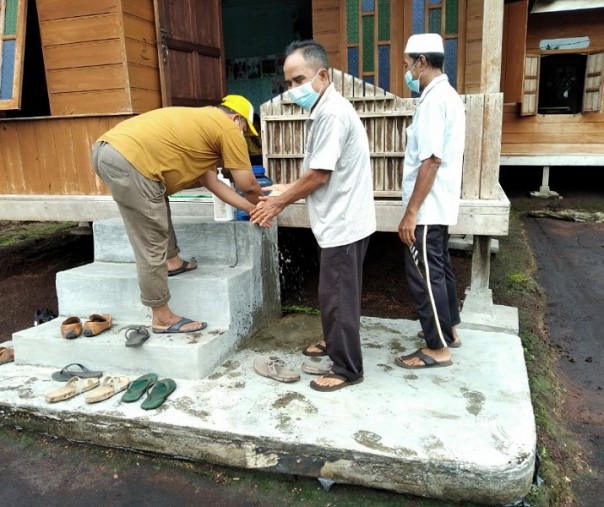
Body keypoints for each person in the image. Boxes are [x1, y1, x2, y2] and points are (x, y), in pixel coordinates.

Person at [250, 40, 376, 391]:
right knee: (336, 294)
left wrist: (278, 203)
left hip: (343, 223)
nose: (293, 90)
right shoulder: (326, 109)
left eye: (299, 80)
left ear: (322, 75)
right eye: (288, 83)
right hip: (342, 218)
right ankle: (335, 341)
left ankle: (347, 368)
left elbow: (320, 175)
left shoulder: (332, 113)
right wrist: (285, 187)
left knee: (336, 296)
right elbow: (320, 170)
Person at [91, 95, 266, 334]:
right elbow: (248, 186)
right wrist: (264, 209)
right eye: (245, 129)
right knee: (151, 240)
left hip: (112, 150)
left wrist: (250, 209)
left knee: (155, 202)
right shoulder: (228, 128)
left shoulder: (202, 124)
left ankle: (172, 261)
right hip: (127, 159)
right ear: (237, 118)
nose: (243, 135)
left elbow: (213, 183)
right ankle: (162, 317)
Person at [395, 33, 465, 369]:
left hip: (427, 207)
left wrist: (411, 213)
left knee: (424, 276)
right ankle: (448, 332)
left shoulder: (436, 101)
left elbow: (431, 160)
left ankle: (438, 348)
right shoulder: (446, 96)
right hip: (438, 204)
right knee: (439, 269)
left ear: (422, 62)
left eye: (408, 65)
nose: (407, 72)